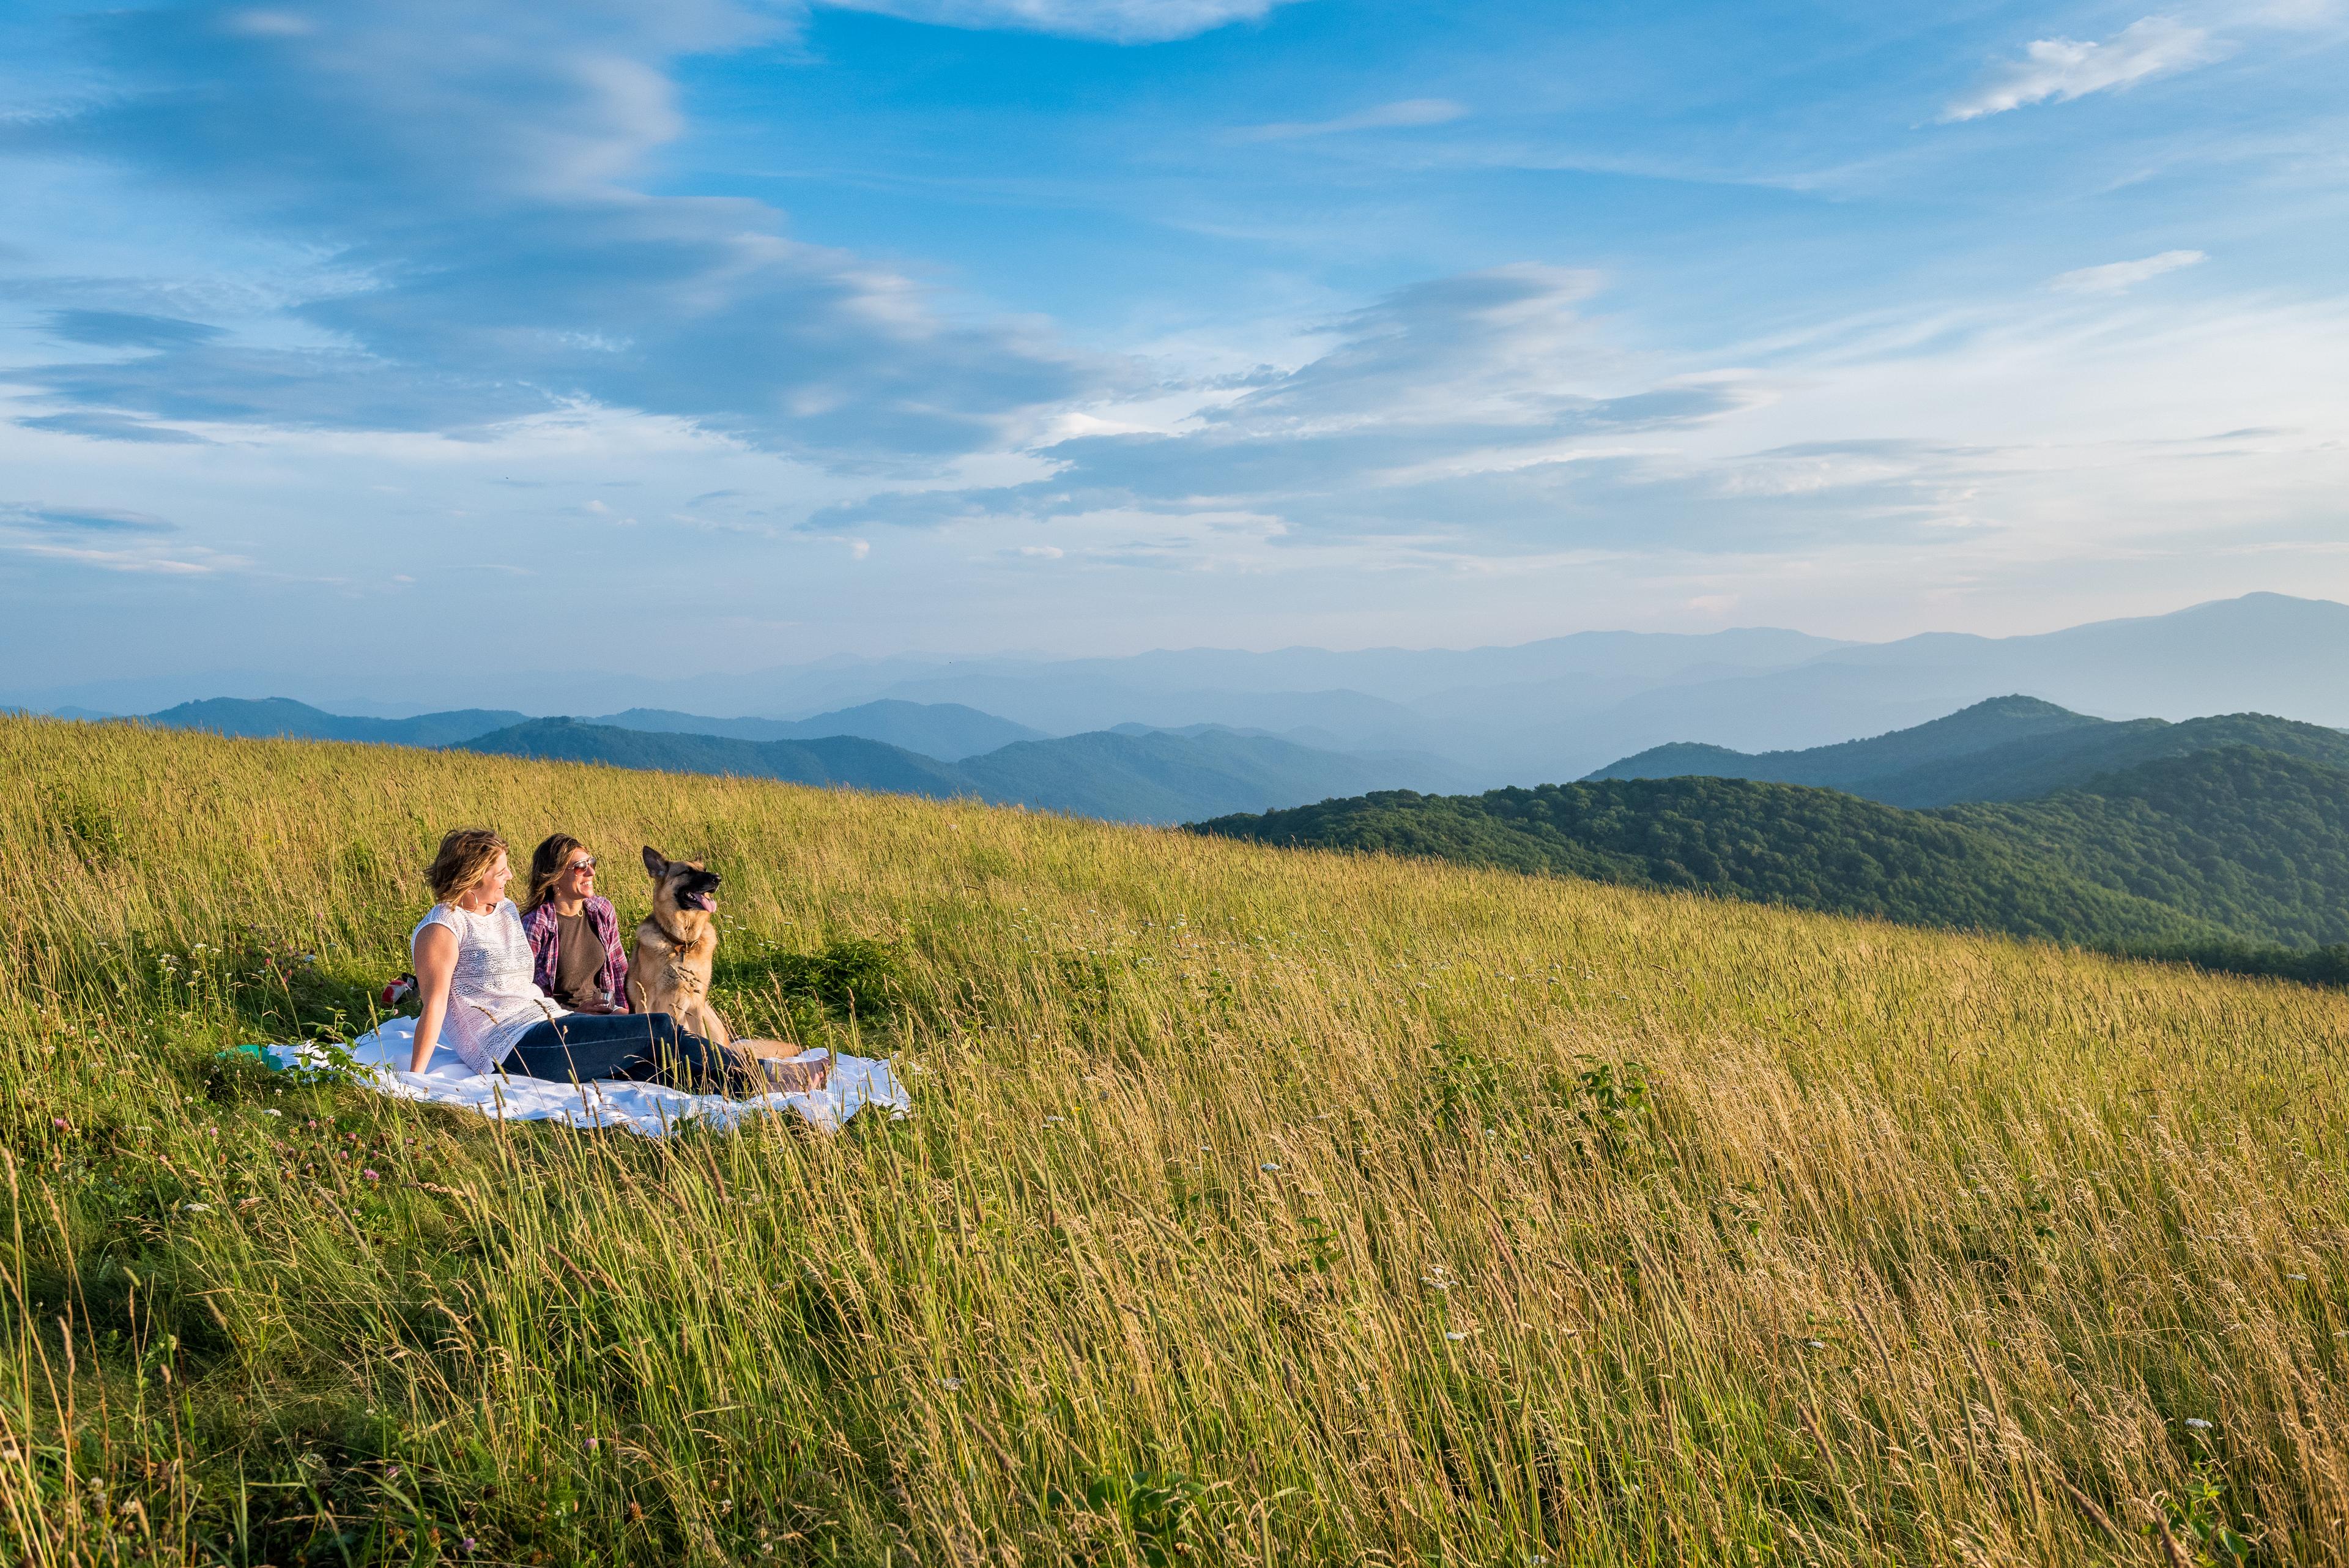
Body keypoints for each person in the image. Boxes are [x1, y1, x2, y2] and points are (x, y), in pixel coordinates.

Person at [406, 827, 757, 1091]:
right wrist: (413, 1081)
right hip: (512, 1046)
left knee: (660, 1071)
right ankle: (768, 1075)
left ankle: (764, 1088)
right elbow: (434, 1004)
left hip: (548, 1023)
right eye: (501, 872)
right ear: (470, 875)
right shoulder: (443, 926)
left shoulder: (505, 910)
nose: (511, 877)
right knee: (661, 1029)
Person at [518, 833, 629, 1014]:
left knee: (658, 1025)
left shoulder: (602, 910)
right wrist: (577, 1013)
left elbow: (619, 969)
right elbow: (527, 993)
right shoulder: (537, 924)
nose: (591, 872)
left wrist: (630, 1017)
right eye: (580, 867)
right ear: (555, 877)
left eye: (591, 863)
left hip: (604, 1011)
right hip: (560, 1018)